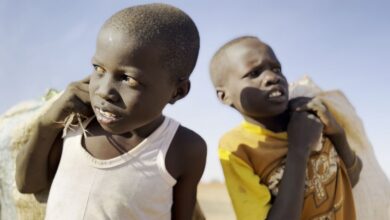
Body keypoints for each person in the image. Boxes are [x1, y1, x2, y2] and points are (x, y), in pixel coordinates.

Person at [15, 3, 207, 220]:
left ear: (177, 92)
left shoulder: (184, 148)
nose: (104, 91)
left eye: (128, 79)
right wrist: (47, 122)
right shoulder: (76, 123)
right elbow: (28, 184)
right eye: (99, 69)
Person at [209, 36, 362, 220]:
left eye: (276, 69)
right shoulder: (236, 147)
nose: (273, 77)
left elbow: (351, 180)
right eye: (254, 73)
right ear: (224, 96)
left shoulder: (310, 118)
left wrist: (336, 131)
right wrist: (299, 148)